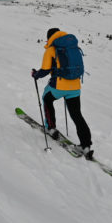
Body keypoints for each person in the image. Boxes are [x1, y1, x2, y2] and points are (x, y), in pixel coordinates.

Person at [31, 28, 94, 159]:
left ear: (49, 38)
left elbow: (45, 70)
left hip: (59, 86)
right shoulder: (72, 46)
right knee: (77, 115)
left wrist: (35, 75)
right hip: (75, 86)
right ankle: (86, 145)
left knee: (47, 99)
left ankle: (51, 128)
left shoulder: (51, 49)